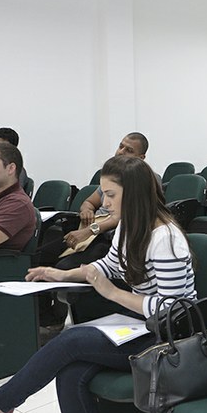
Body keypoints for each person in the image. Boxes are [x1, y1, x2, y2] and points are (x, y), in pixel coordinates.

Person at [0, 155, 196, 413]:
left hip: (170, 335)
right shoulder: (130, 226)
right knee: (70, 373)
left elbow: (172, 309)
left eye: (111, 195)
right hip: (141, 324)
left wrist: (113, 293)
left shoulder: (165, 238)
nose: (105, 203)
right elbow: (111, 265)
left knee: (71, 340)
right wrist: (63, 274)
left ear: (135, 193)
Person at [37, 132, 156, 335]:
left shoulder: (144, 181)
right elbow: (90, 201)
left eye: (129, 150)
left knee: (64, 266)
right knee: (39, 257)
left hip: (108, 237)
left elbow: (126, 216)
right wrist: (87, 210)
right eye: (121, 146)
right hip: (92, 231)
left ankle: (65, 316)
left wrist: (89, 230)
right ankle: (47, 317)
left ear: (141, 158)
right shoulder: (112, 177)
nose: (122, 151)